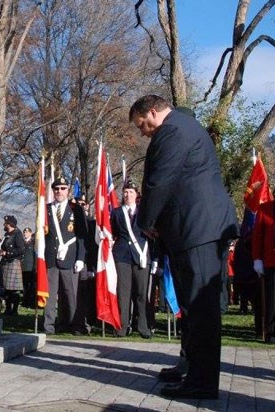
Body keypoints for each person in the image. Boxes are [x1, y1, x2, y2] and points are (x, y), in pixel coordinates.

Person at [130, 94, 238, 399]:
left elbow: (160, 181)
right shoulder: (182, 126)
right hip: (191, 228)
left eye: (143, 124)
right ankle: (192, 369)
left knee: (201, 308)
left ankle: (202, 383)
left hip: (198, 227)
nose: (143, 132)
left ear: (153, 111)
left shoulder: (174, 130)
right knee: (192, 306)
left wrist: (145, 222)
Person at [110, 180, 155, 339]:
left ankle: (143, 326)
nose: (128, 194)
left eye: (131, 192)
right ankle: (122, 327)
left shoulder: (144, 212)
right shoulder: (116, 212)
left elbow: (152, 234)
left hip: (141, 255)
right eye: (125, 191)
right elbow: (114, 232)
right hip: (122, 256)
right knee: (123, 293)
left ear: (137, 195)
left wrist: (154, 258)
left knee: (142, 293)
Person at [44, 177, 88, 335]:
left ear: (68, 191)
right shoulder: (46, 209)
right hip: (50, 258)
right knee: (50, 295)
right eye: (56, 189)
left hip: (70, 256)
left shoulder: (76, 209)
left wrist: (81, 258)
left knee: (71, 294)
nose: (59, 191)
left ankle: (75, 325)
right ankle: (49, 325)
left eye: (63, 188)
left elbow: (82, 235)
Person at [251, 195, 275, 344]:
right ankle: (271, 331)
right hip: (271, 261)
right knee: (272, 299)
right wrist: (257, 259)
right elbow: (257, 236)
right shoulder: (265, 209)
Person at [0, 215, 25, 315]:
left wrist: (7, 253)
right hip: (6, 263)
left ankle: (14, 310)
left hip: (13, 262)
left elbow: (20, 249)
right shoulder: (7, 234)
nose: (3, 225)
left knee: (13, 289)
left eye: (5, 223)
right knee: (6, 288)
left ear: (10, 224)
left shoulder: (17, 234)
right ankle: (8, 308)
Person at [20, 227, 36, 308]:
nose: (25, 234)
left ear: (30, 233)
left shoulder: (33, 242)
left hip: (30, 267)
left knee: (31, 286)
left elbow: (35, 255)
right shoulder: (22, 242)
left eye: (26, 232)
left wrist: (35, 266)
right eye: (24, 232)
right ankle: (25, 301)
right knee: (25, 286)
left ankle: (31, 302)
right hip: (23, 267)